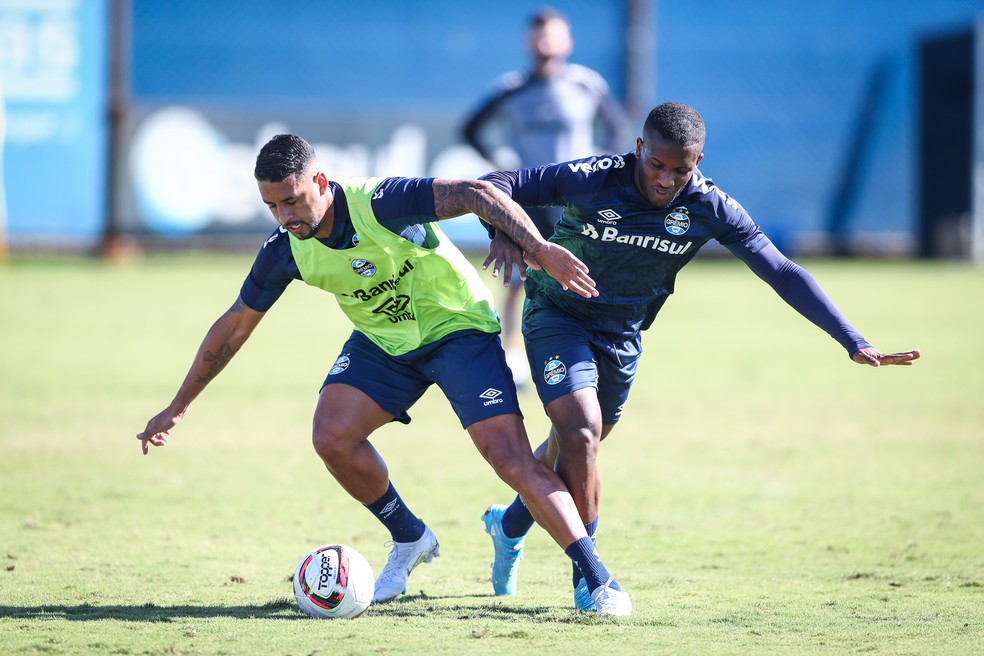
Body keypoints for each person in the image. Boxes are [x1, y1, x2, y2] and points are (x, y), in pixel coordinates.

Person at [135, 134, 633, 615]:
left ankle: (598, 578)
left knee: (510, 461)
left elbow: (479, 192)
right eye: (273, 207)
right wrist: (177, 407)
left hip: (458, 328)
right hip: (386, 345)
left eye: (292, 200)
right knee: (332, 436)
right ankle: (410, 537)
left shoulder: (380, 201)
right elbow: (234, 326)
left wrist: (536, 246)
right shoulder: (285, 248)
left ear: (321, 181)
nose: (285, 216)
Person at [477, 102, 922, 610]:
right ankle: (591, 576)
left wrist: (851, 339)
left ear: (698, 161)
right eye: (656, 165)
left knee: (576, 446)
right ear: (639, 148)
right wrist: (504, 233)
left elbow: (780, 270)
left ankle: (508, 525)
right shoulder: (595, 178)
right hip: (557, 314)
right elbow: (496, 183)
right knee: (581, 430)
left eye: (680, 170)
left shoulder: (711, 207)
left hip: (622, 333)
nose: (666, 179)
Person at [461, 6, 628, 384]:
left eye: (552, 33)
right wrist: (499, 161)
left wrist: (600, 167)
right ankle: (510, 353)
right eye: (538, 34)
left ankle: (593, 349)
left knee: (588, 270)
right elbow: (471, 128)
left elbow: (617, 129)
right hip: (530, 199)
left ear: (567, 40)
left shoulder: (587, 84)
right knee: (519, 275)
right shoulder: (512, 87)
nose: (545, 41)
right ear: (528, 41)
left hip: (577, 199)